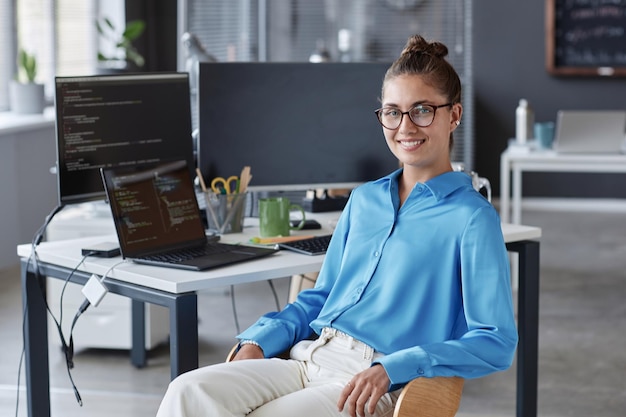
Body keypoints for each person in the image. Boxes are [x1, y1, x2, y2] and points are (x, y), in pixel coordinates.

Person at [156, 34, 518, 417]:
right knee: (188, 391)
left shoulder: (472, 218)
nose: (405, 126)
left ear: (454, 116)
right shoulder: (364, 201)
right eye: (393, 112)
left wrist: (394, 367)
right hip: (310, 356)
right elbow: (322, 297)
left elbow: (495, 341)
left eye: (422, 110)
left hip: (372, 382)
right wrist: (260, 341)